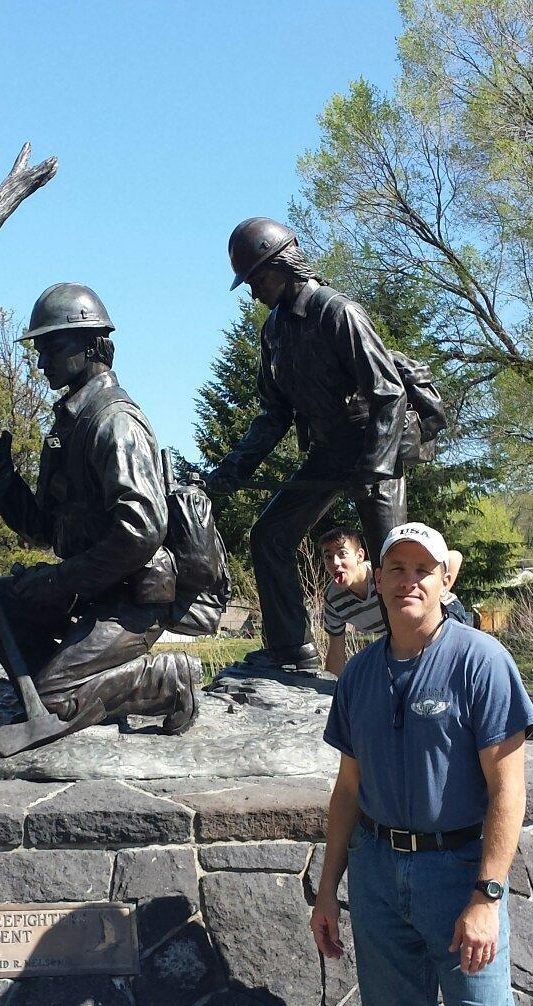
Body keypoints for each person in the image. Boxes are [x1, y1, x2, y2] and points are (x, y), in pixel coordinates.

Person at [311, 522, 533, 1006]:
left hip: (457, 876)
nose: (409, 581)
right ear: (377, 581)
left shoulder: (481, 661)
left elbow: (508, 792)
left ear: (446, 579)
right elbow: (346, 792)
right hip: (379, 878)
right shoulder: (359, 675)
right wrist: (328, 891)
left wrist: (487, 896)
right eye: (397, 569)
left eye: (422, 569)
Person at [0, 283, 201, 734]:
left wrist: (59, 580)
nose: (40, 361)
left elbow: (142, 531)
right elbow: (44, 529)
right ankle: (60, 685)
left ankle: (167, 680)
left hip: (130, 600)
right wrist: (3, 478)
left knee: (54, 702)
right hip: (86, 590)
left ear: (92, 346)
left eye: (52, 346)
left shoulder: (114, 421)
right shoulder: (69, 424)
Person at [203, 217, 411, 674]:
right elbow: (273, 414)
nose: (253, 291)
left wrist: (374, 468)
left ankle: (413, 657)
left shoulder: (338, 313)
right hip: (326, 453)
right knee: (269, 535)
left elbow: (388, 393)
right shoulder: (274, 331)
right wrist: (230, 470)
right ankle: (290, 649)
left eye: (257, 278)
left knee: (393, 556)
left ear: (284, 265)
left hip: (372, 448)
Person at [317, 525, 473, 676]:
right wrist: (331, 690)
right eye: (328, 557)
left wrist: (436, 594)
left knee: (441, 665)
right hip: (403, 631)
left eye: (342, 553)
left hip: (445, 611)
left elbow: (454, 556)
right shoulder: (333, 598)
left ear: (359, 555)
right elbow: (336, 648)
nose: (335, 562)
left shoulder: (383, 574)